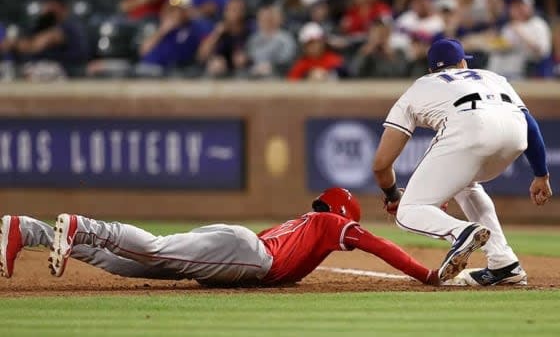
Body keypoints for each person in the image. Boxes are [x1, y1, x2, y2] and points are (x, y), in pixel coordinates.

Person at [372, 38, 553, 286]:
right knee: (467, 184)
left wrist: (393, 195)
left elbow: (381, 164)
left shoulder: (420, 86)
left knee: (408, 212)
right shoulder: (492, 77)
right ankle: (504, 263)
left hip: (470, 130)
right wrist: (541, 174)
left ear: (430, 70)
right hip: (515, 135)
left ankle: (462, 232)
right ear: (461, 63)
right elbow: (529, 124)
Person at [0, 188, 440, 287]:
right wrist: (425, 274)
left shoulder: (301, 224)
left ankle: (29, 230)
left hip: (235, 245)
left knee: (137, 263)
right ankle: (83, 225)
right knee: (152, 248)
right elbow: (380, 245)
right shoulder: (329, 226)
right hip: (247, 253)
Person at [136, 0, 212, 75]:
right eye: (173, 9)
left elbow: (202, 55)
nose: (175, 13)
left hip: (172, 71)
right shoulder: (162, 26)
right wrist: (162, 31)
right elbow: (143, 51)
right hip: (147, 68)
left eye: (179, 10)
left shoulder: (197, 27)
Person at [197, 0, 250, 78]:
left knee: (240, 59)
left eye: (237, 9)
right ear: (225, 12)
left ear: (243, 12)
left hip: (244, 70)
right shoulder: (218, 29)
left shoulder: (249, 29)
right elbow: (201, 55)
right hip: (219, 70)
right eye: (231, 9)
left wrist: (246, 57)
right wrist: (216, 34)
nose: (234, 13)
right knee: (217, 64)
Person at [246, 5, 296, 78]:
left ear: (273, 19)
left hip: (277, 77)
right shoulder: (253, 39)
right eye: (262, 18)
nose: (265, 21)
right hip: (254, 77)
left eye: (268, 18)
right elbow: (249, 59)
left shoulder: (286, 39)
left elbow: (289, 62)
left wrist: (272, 66)